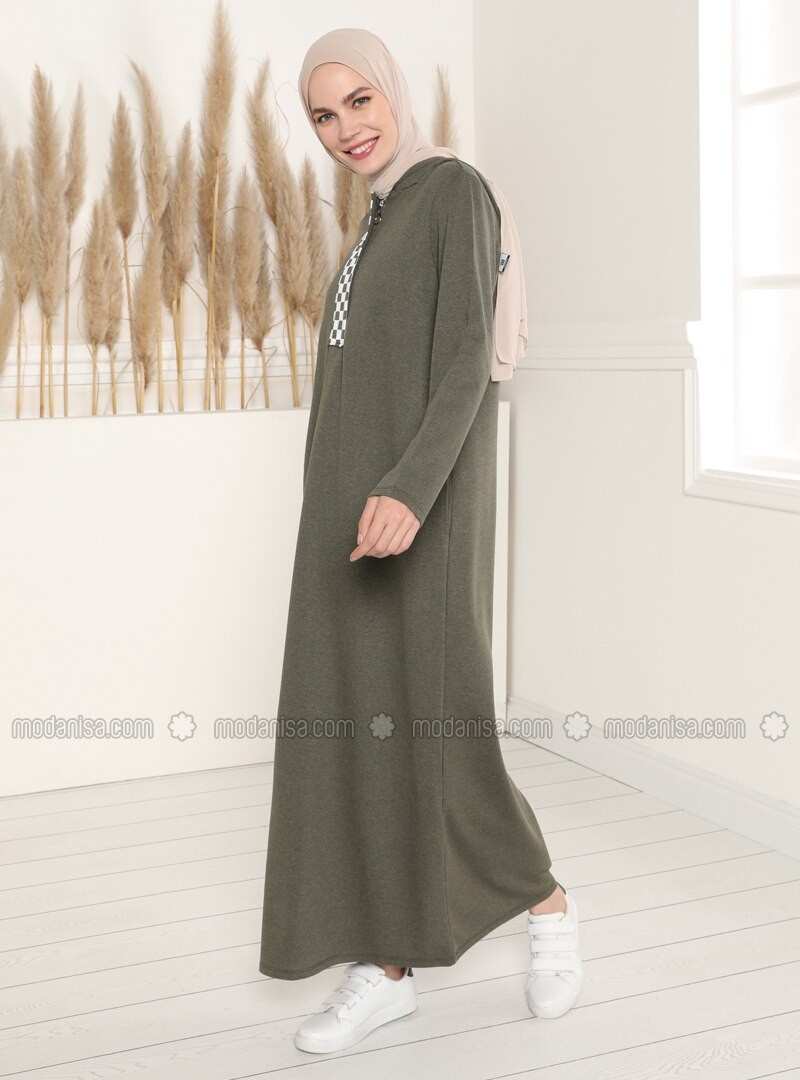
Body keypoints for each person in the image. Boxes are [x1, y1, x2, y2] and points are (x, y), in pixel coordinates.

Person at [258, 27, 583, 1054]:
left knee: (440, 728)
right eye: (323, 114)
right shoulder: (375, 220)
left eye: (359, 101)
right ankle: (387, 967)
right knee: (361, 733)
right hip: (343, 520)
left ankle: (545, 902)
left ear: (392, 93)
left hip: (418, 510)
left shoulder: (450, 192)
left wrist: (406, 489)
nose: (345, 128)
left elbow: (463, 361)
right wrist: (342, 500)